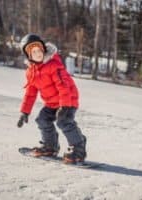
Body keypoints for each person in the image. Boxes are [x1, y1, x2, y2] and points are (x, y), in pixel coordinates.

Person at [17, 34, 87, 164]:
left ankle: (79, 147)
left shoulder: (54, 65)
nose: (38, 54)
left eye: (39, 50)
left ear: (44, 49)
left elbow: (64, 86)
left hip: (68, 100)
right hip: (52, 103)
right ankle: (50, 146)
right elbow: (30, 93)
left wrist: (65, 106)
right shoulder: (31, 72)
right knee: (42, 119)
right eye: (33, 52)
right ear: (28, 56)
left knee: (63, 121)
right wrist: (24, 112)